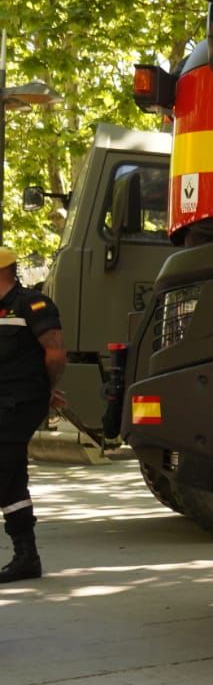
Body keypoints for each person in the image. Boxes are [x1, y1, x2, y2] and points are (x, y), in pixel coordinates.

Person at [0, 246, 65, 584]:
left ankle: (27, 557)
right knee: (11, 481)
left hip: (20, 403)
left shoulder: (33, 304)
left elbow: (55, 353)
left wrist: (47, 388)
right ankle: (27, 558)